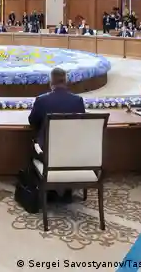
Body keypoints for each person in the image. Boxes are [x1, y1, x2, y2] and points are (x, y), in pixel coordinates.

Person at [28, 67, 86, 203]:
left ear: (51, 82)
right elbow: (81, 125)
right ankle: (67, 189)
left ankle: (45, 188)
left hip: (48, 154)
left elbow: (32, 121)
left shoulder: (41, 101)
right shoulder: (78, 101)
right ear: (65, 81)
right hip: (72, 154)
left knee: (32, 147)